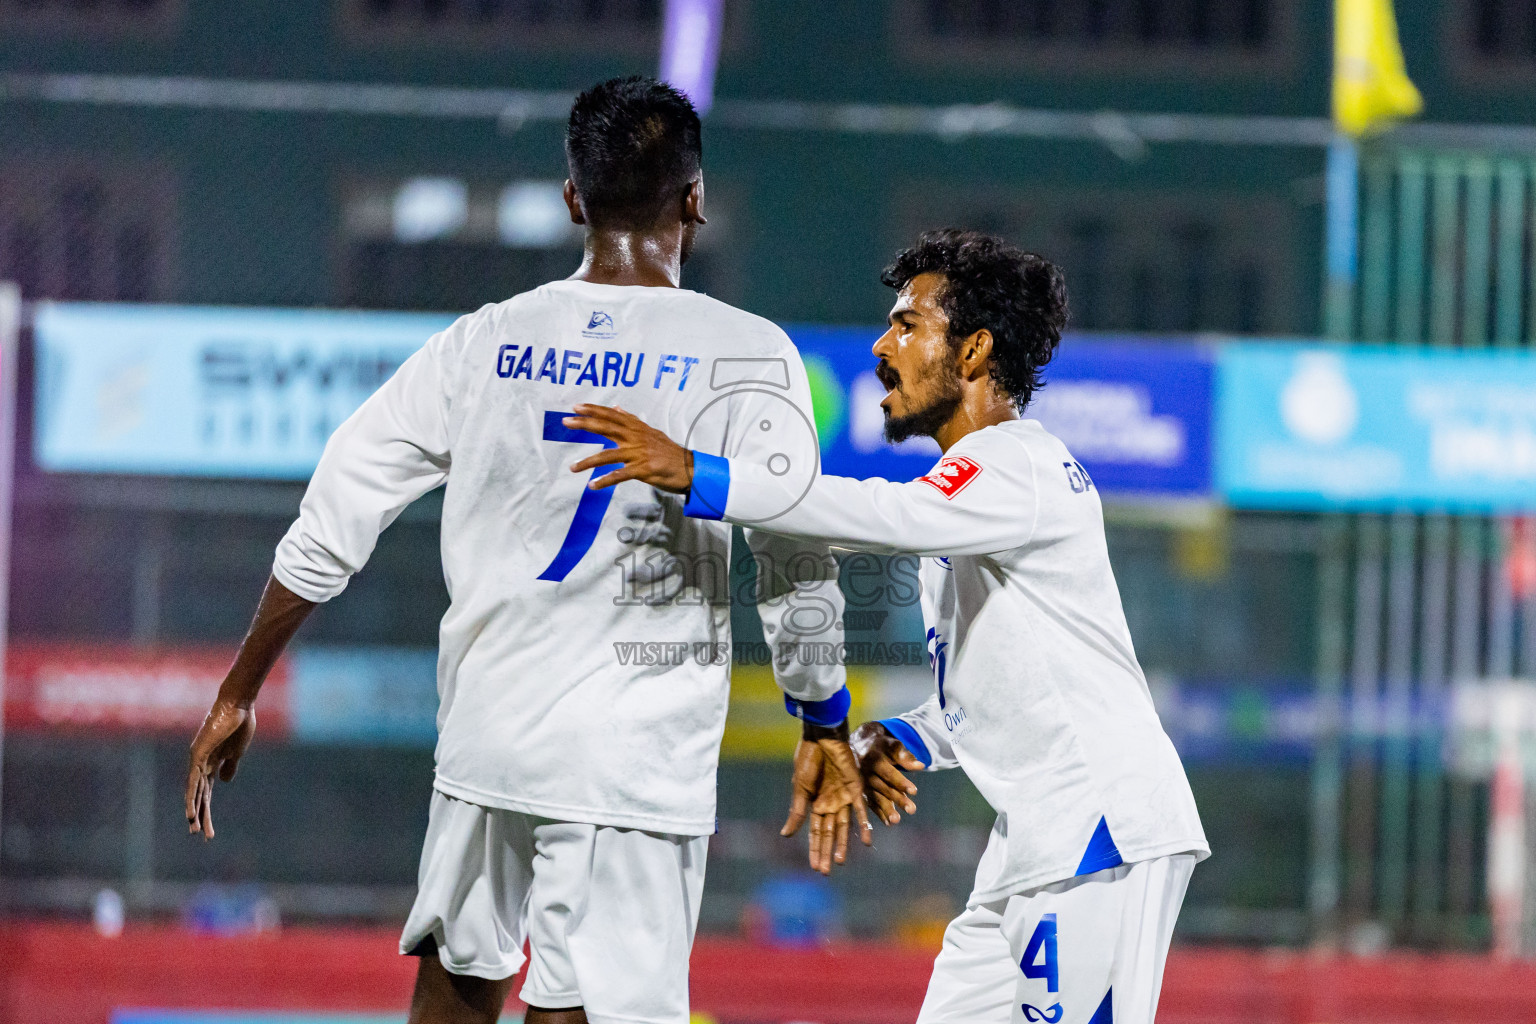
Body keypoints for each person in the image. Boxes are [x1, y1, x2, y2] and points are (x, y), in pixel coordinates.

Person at [184, 77, 869, 1024]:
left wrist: (239, 689)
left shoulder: (485, 340)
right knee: (591, 1006)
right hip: (631, 757)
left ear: (573, 200)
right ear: (696, 200)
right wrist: (822, 719)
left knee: (457, 984)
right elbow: (796, 553)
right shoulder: (749, 354)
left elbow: (340, 501)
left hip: (486, 737)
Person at [562, 229, 1210, 1024]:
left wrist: (704, 473)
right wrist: (901, 737)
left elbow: (883, 514)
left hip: (1100, 831)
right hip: (1033, 846)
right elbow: (1003, 686)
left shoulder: (1016, 465)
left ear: (971, 351)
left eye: (907, 325)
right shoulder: (975, 496)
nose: (882, 345)